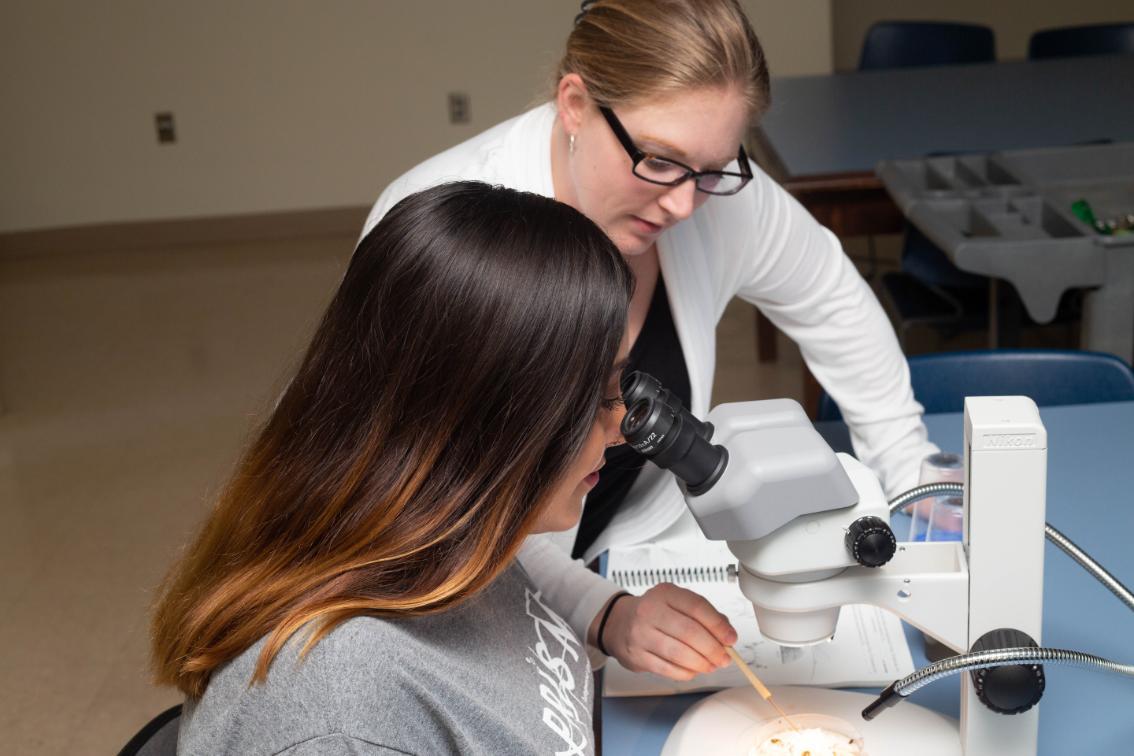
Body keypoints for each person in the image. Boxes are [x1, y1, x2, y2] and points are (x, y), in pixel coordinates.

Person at [361, 0, 938, 683]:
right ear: (574, 103)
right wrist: (600, 611)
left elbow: (832, 299)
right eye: (660, 162)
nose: (684, 206)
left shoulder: (706, 193)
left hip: (634, 539)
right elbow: (452, 505)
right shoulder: (447, 236)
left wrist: (914, 476)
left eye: (713, 168)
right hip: (465, 584)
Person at [151, 182, 709, 755]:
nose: (620, 428)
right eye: (592, 399)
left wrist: (610, 616)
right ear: (485, 428)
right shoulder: (345, 715)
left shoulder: (451, 544)